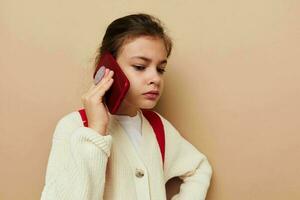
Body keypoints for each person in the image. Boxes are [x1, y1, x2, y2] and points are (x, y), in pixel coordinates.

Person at [41, 13, 212, 200]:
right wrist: (96, 131)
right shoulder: (74, 127)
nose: (155, 78)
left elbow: (199, 167)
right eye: (140, 66)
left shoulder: (157, 126)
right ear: (108, 67)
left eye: (160, 69)